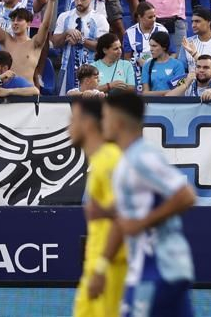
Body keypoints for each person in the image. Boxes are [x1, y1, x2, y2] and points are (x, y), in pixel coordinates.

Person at [88, 90, 195, 316]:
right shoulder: (126, 162)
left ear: (117, 122)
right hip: (158, 269)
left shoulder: (142, 157)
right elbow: (127, 217)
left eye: (105, 117)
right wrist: (101, 266)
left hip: (157, 268)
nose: (102, 124)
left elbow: (185, 195)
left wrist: (143, 222)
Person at [69, 95, 124, 317]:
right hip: (97, 267)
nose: (68, 128)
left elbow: (125, 215)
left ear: (88, 123)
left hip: (110, 271)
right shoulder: (99, 161)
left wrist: (101, 268)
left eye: (73, 120)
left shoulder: (109, 160)